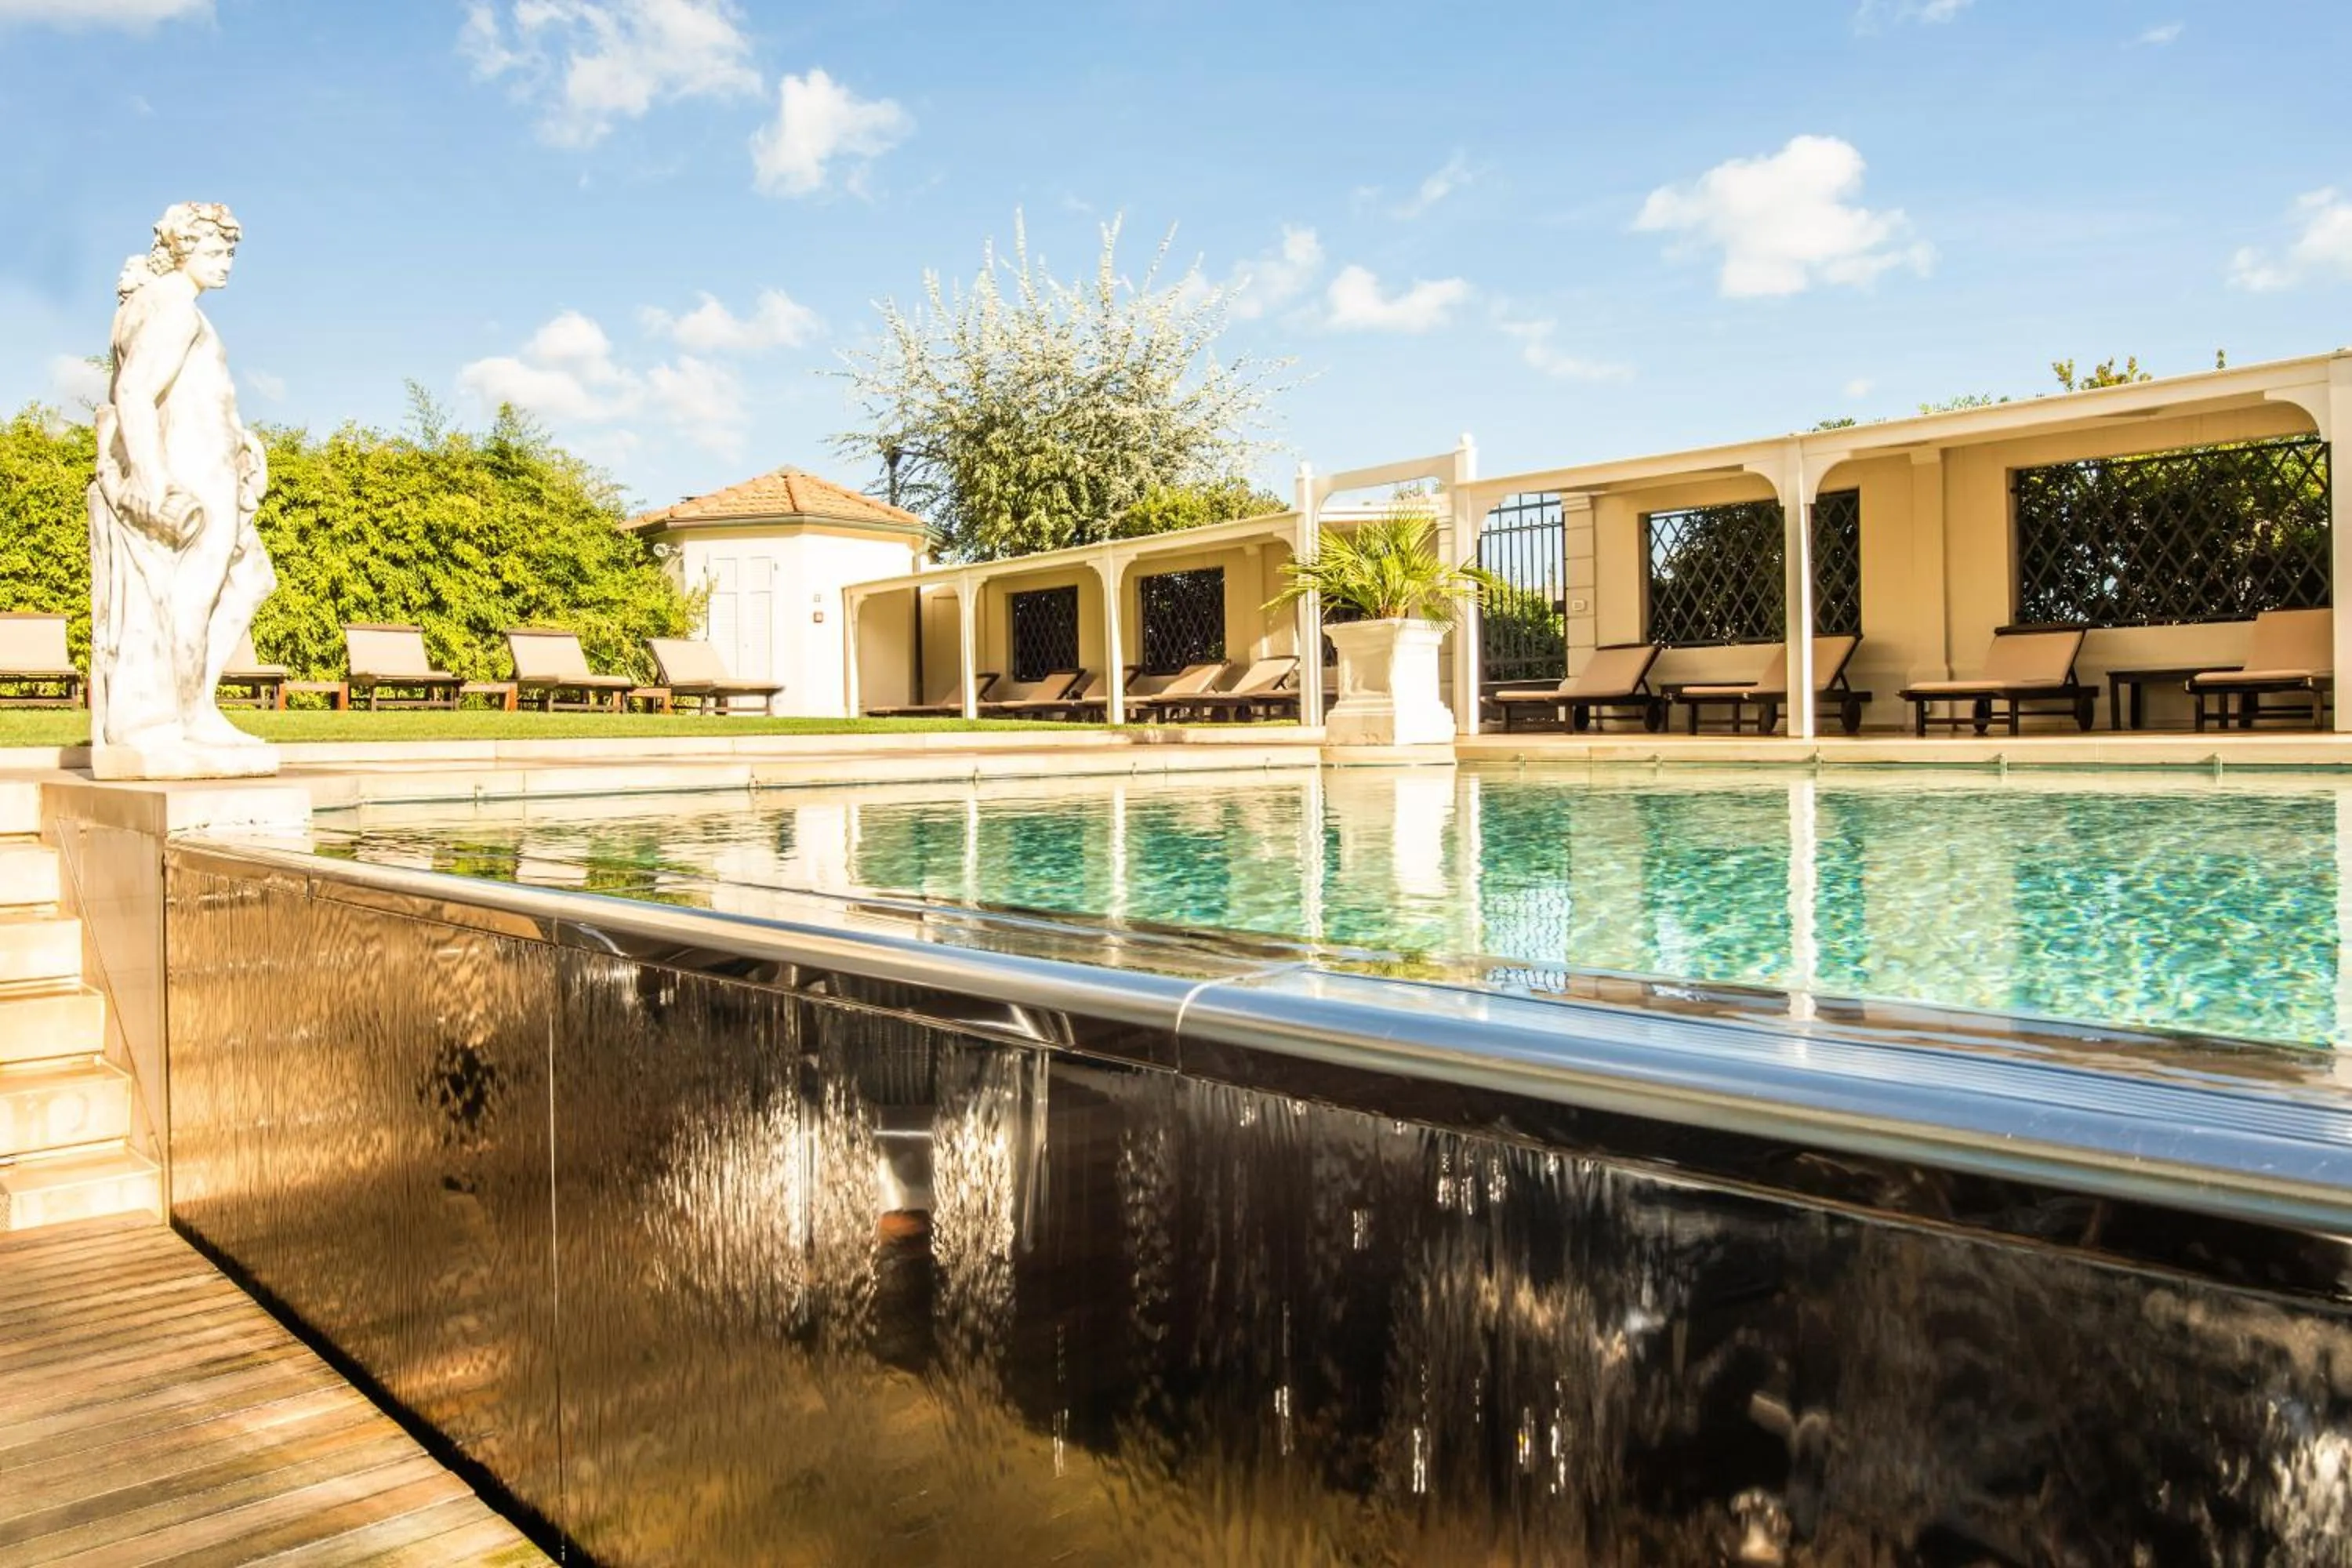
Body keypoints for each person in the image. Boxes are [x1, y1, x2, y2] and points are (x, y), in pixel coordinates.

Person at [88, 201, 276, 764]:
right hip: (192, 470)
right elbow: (135, 392)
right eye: (214, 253)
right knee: (195, 593)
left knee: (251, 579)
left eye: (229, 253)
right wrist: (153, 478)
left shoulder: (155, 303)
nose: (225, 265)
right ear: (181, 251)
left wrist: (242, 438)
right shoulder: (176, 309)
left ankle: (192, 704)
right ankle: (191, 717)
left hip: (208, 461)